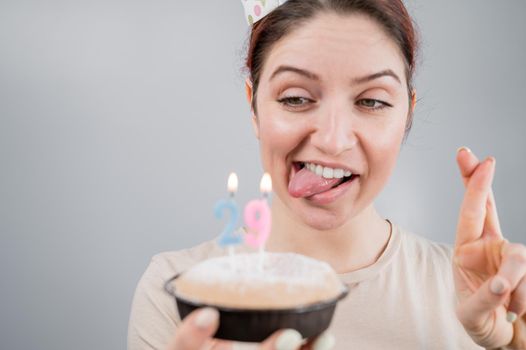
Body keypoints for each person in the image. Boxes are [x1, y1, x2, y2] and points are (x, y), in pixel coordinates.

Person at [127, 1, 526, 349]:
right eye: (296, 98)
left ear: (408, 113)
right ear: (254, 107)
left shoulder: (483, 296)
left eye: (371, 101)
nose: (334, 140)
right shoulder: (176, 295)